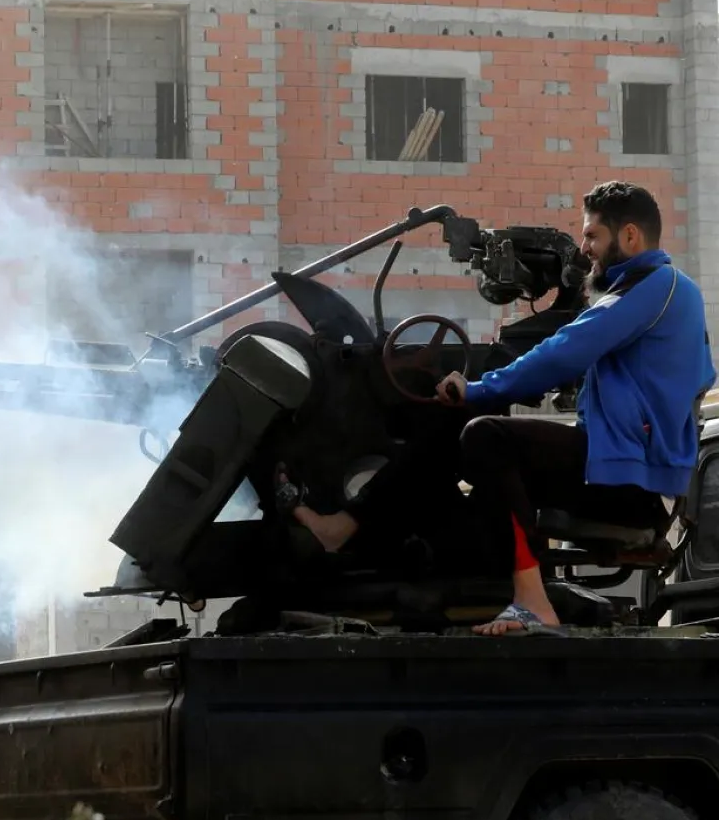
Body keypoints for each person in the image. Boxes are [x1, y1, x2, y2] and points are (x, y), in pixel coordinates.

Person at [288, 181, 715, 635]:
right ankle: (349, 526)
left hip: (631, 483)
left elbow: (566, 350)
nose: (585, 249)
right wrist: (472, 395)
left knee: (487, 436)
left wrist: (480, 388)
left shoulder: (658, 286)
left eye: (592, 237)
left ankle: (531, 602)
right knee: (456, 419)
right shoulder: (639, 291)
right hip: (615, 465)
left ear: (630, 237)